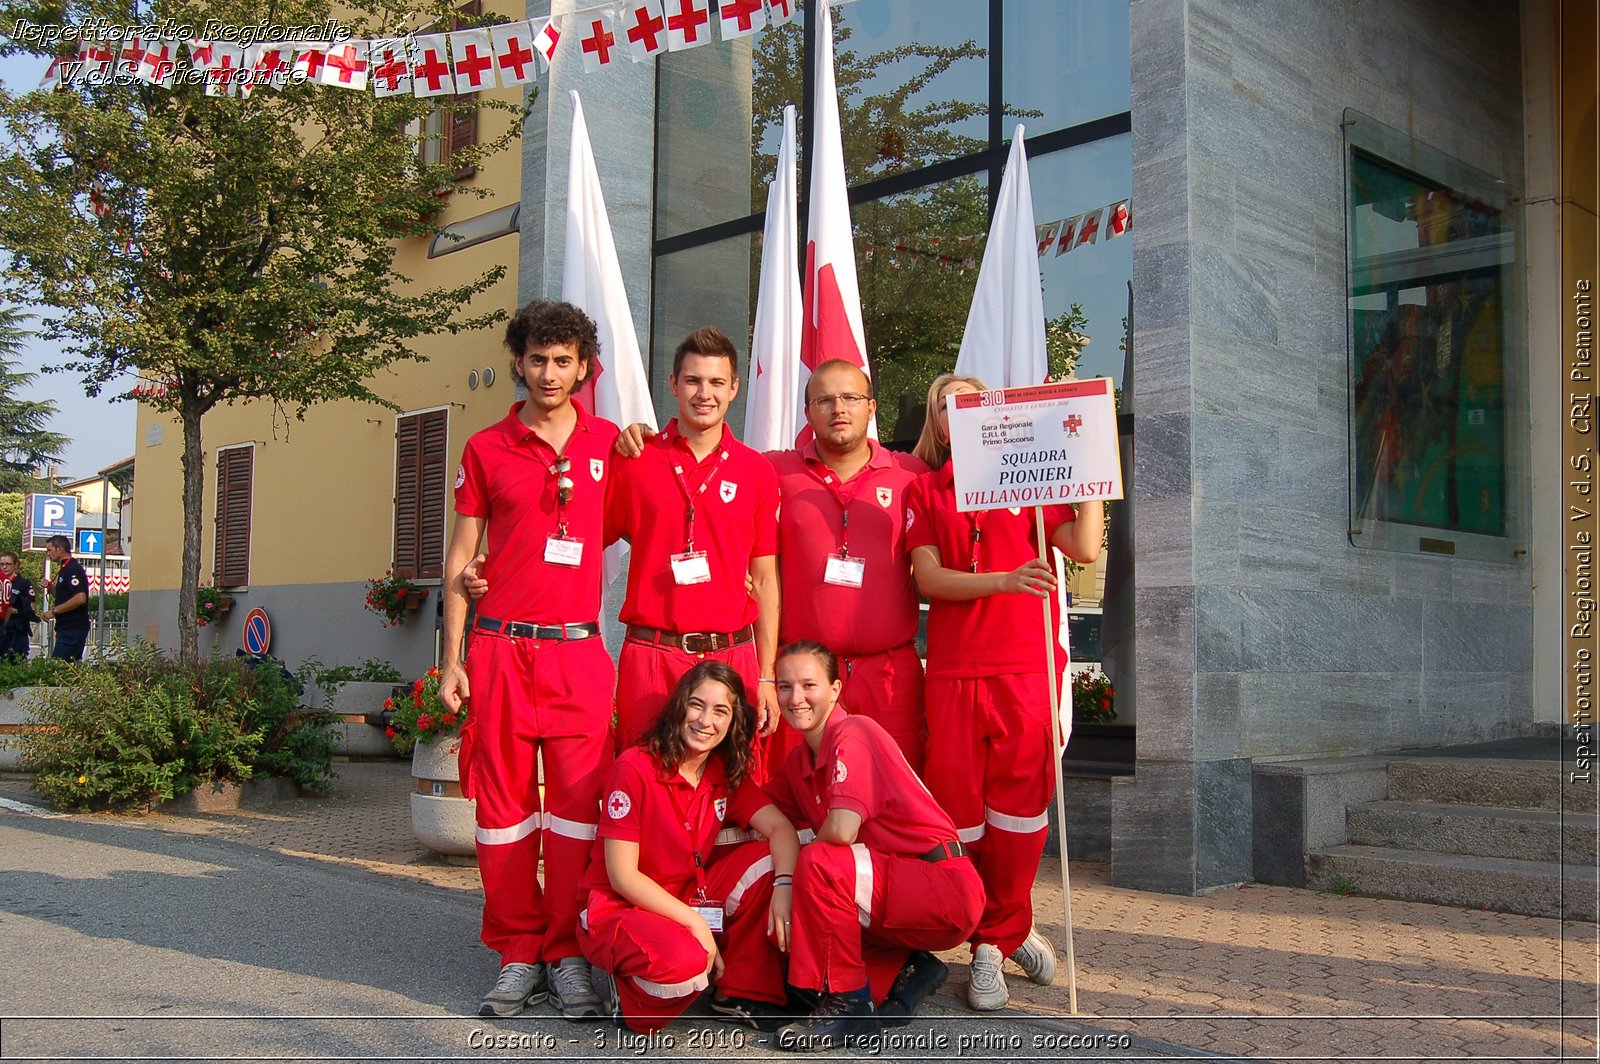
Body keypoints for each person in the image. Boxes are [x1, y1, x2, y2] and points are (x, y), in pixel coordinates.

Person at [437, 299, 618, 1020]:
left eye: (563, 360)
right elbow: (459, 561)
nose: (549, 372)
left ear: (583, 367)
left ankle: (568, 952)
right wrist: (452, 660)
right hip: (501, 649)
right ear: (519, 361)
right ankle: (517, 951)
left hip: (579, 650)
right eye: (538, 358)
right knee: (503, 813)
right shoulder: (485, 447)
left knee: (577, 813)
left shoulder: (613, 444)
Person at [905, 372, 1104, 1011]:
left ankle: (992, 944)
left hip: (1025, 670)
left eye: (971, 400)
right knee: (960, 815)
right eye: (945, 405)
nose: (957, 412)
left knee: (1019, 814)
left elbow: (1086, 545)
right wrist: (1003, 581)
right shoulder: (925, 488)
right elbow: (929, 581)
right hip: (958, 672)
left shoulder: (1031, 478)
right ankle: (998, 928)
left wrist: (1090, 471)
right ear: (938, 423)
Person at [763, 640, 984, 1051]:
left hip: (943, 884)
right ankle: (905, 970)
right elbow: (756, 813)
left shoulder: (854, 732)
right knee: (799, 963)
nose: (796, 698)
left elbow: (842, 831)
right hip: (892, 890)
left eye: (809, 685)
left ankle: (848, 1009)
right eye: (785, 686)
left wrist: (786, 881)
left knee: (820, 861)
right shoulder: (799, 762)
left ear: (835, 689)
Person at [578, 660, 800, 1033]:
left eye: (720, 711)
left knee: (768, 861)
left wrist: (785, 885)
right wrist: (695, 922)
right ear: (679, 706)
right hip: (623, 906)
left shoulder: (723, 770)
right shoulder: (634, 768)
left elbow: (780, 829)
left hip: (686, 897)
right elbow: (622, 876)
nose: (705, 721)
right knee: (685, 963)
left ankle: (737, 991)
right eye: (697, 705)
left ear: (732, 722)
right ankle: (633, 993)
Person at [605, 327, 782, 755]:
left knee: (732, 791)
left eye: (717, 382)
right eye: (693, 381)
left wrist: (767, 675)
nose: (705, 394)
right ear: (673, 384)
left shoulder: (756, 471)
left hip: (731, 655)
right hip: (652, 655)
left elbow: (764, 579)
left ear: (735, 388)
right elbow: (585, 536)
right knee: (642, 776)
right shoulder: (635, 459)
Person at [762, 360, 930, 772]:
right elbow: (712, 455)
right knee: (797, 800)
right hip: (802, 675)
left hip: (889, 675)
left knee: (893, 799)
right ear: (808, 413)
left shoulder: (911, 475)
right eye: (825, 399)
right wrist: (640, 438)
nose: (839, 408)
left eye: (851, 398)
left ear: (871, 407)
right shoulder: (772, 471)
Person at [42, 536, 89, 661]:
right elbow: (65, 596)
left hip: (73, 628)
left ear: (60, 549)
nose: (48, 554)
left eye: (50, 550)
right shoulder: (64, 569)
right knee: (64, 666)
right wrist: (51, 588)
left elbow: (80, 598)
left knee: (60, 665)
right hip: (65, 627)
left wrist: (54, 611)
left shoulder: (73, 569)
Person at [0, 551, 36, 659]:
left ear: (16, 564)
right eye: (2, 564)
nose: (4, 567)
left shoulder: (23, 584)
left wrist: (15, 611)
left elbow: (32, 608)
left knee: (15, 662)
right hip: (1, 628)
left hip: (16, 631)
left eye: (8, 564)